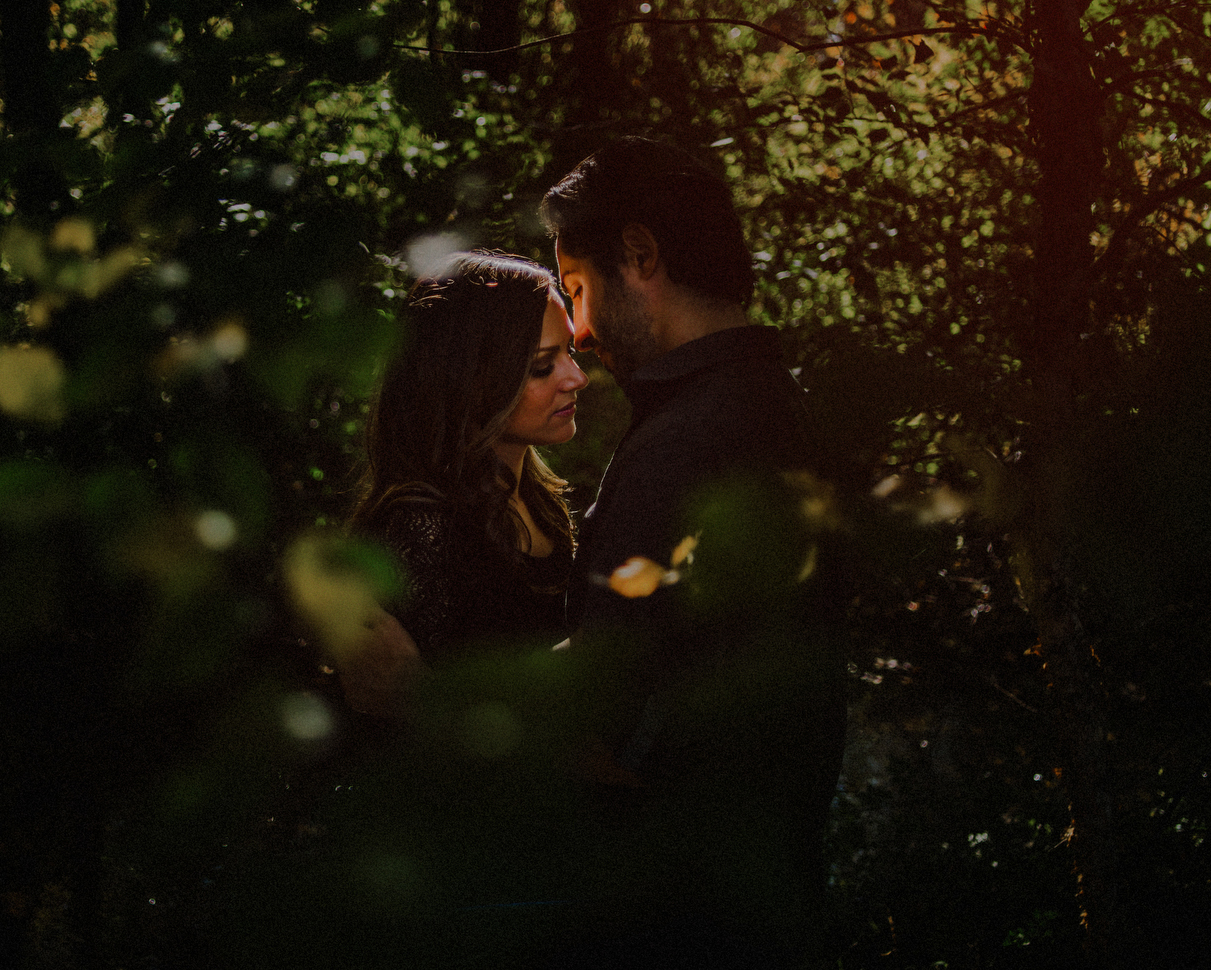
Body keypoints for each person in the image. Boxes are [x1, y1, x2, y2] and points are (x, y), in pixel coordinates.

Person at [542, 137, 849, 966]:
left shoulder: (690, 443)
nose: (577, 329)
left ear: (640, 255)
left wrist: (423, 693)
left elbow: (602, 711)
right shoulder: (783, 409)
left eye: (577, 289)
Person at [343, 251, 590, 708]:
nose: (577, 378)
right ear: (472, 381)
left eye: (569, 354)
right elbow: (445, 723)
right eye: (542, 366)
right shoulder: (422, 528)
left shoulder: (539, 501)